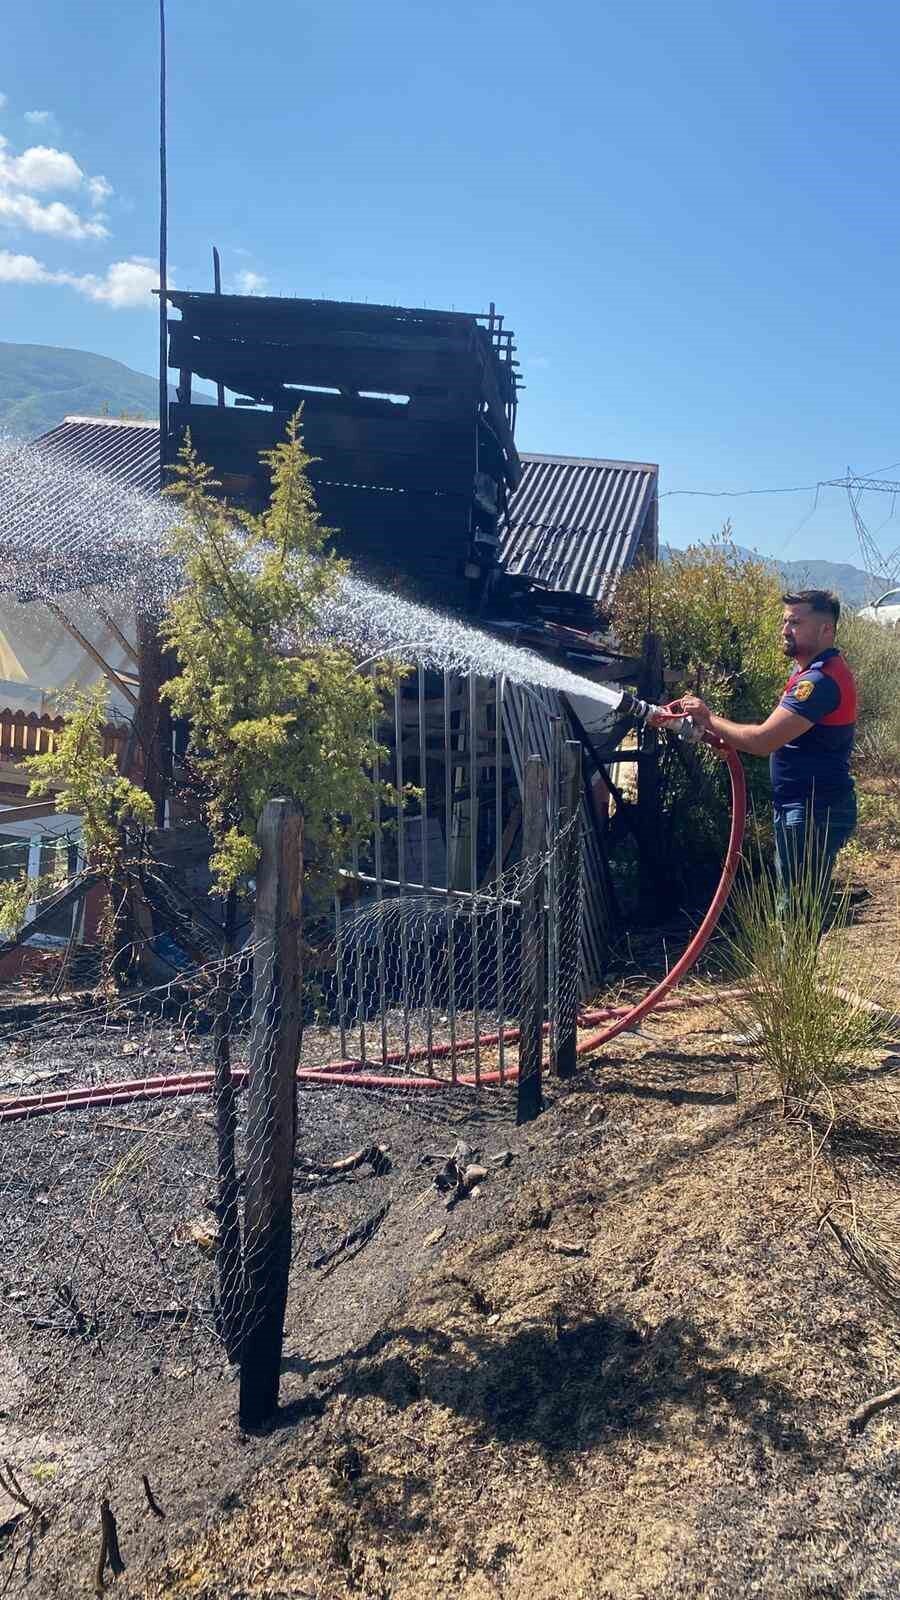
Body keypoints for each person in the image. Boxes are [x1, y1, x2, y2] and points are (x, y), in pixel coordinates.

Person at [670, 589, 857, 910]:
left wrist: (709, 718)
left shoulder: (819, 682)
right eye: (784, 621)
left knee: (796, 913)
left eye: (796, 622)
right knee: (797, 908)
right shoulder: (809, 674)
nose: (785, 630)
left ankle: (793, 963)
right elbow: (783, 738)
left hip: (812, 811)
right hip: (807, 807)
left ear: (826, 629)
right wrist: (724, 738)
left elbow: (763, 740)